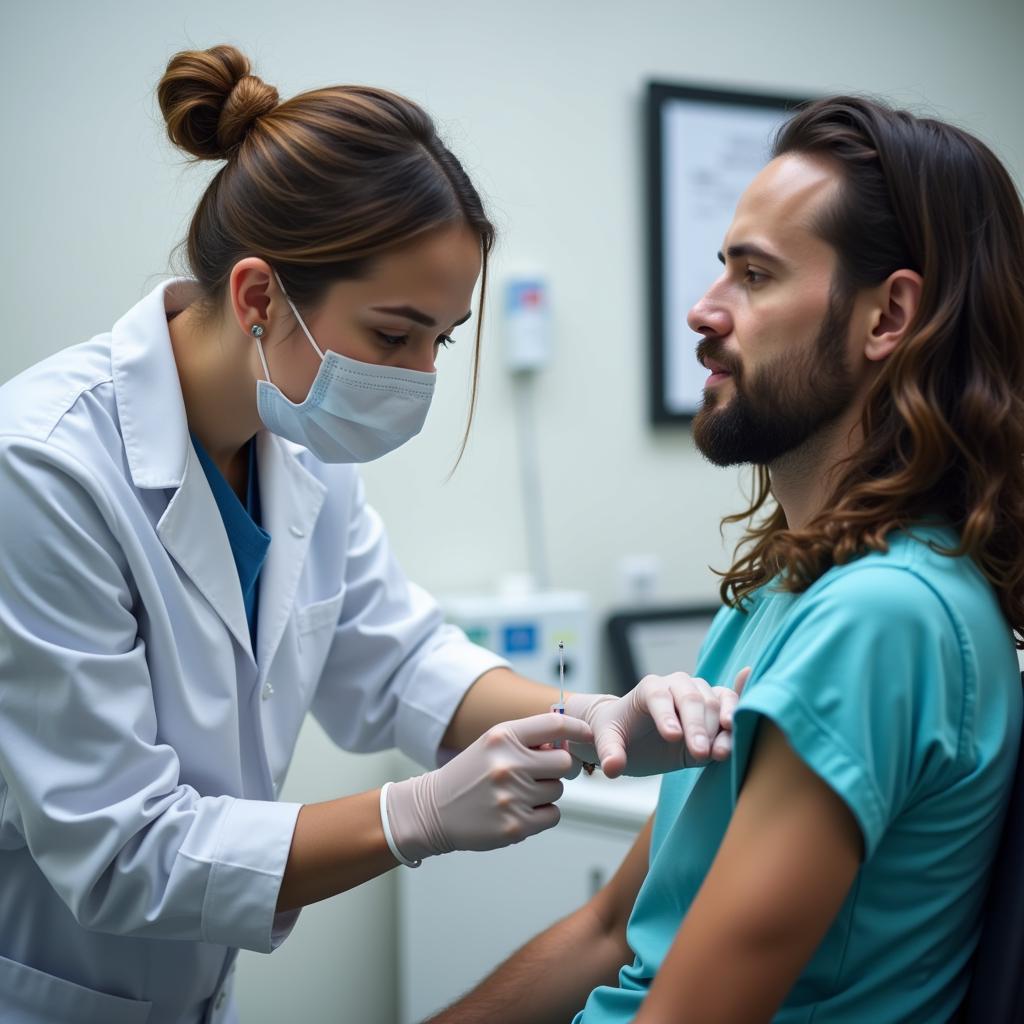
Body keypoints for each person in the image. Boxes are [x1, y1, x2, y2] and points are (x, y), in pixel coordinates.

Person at [0, 46, 741, 1024]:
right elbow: (120, 848)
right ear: (259, 297)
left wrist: (588, 714)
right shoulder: (44, 468)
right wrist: (413, 816)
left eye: (440, 338)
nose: (419, 375)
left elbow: (401, 662)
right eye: (394, 334)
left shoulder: (297, 442)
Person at [426, 96, 1024, 1023]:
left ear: (888, 316)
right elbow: (611, 932)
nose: (704, 311)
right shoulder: (787, 588)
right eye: (723, 270)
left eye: (755, 275)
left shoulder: (885, 616)